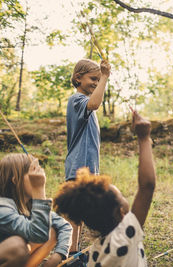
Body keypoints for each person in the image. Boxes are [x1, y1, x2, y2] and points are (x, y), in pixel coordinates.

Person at [54, 110, 156, 267]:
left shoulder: (95, 251)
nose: (125, 197)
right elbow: (147, 186)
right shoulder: (126, 235)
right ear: (120, 212)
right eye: (121, 196)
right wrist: (144, 138)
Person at [65, 58, 111, 253]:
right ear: (78, 78)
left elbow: (94, 103)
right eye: (93, 78)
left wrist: (103, 78)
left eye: (98, 79)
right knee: (75, 212)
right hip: (79, 165)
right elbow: (94, 104)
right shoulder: (77, 100)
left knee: (81, 211)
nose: (96, 82)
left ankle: (75, 250)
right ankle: (70, 251)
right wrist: (105, 77)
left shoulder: (86, 103)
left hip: (87, 166)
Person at [0, 154, 72, 267]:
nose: (38, 176)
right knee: (17, 246)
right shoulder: (2, 208)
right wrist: (39, 190)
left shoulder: (28, 205)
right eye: (32, 173)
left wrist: (58, 256)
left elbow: (64, 226)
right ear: (15, 180)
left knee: (51, 230)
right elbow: (39, 235)